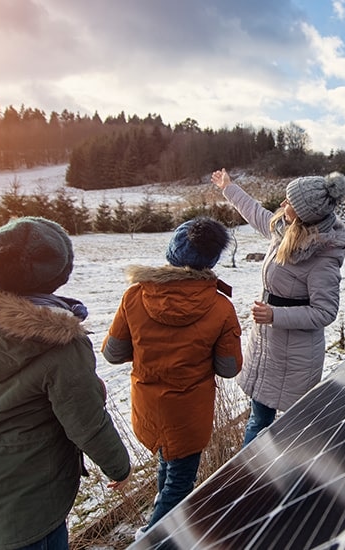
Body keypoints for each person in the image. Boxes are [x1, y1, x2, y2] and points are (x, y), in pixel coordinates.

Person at [0, 216, 131, 550]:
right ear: (58, 275)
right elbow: (86, 421)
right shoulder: (61, 344)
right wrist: (118, 467)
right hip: (33, 493)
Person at [102, 217, 243, 535]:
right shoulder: (221, 307)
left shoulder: (135, 296)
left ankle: (154, 524)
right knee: (180, 481)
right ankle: (153, 538)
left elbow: (112, 353)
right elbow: (229, 368)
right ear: (211, 260)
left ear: (173, 252)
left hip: (148, 406)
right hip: (190, 412)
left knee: (167, 465)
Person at [211, 168, 345, 446]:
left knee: (296, 428)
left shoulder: (324, 257)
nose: (281, 205)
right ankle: (250, 480)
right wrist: (228, 187)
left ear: (303, 214)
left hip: (296, 355)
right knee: (258, 419)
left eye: (288, 203)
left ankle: (261, 480)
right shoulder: (284, 230)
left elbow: (325, 312)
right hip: (267, 346)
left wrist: (275, 314)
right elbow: (255, 212)